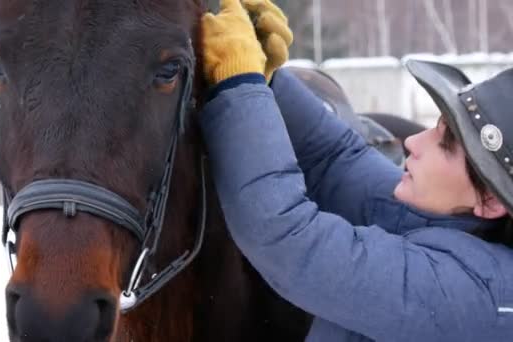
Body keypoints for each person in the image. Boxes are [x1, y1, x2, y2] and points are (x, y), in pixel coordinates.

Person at [199, 0, 513, 341]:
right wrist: (267, 78)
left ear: (492, 202)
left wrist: (238, 82)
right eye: (435, 128)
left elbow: (287, 240)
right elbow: (333, 160)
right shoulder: (460, 221)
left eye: (446, 145)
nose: (413, 143)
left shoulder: (477, 297)